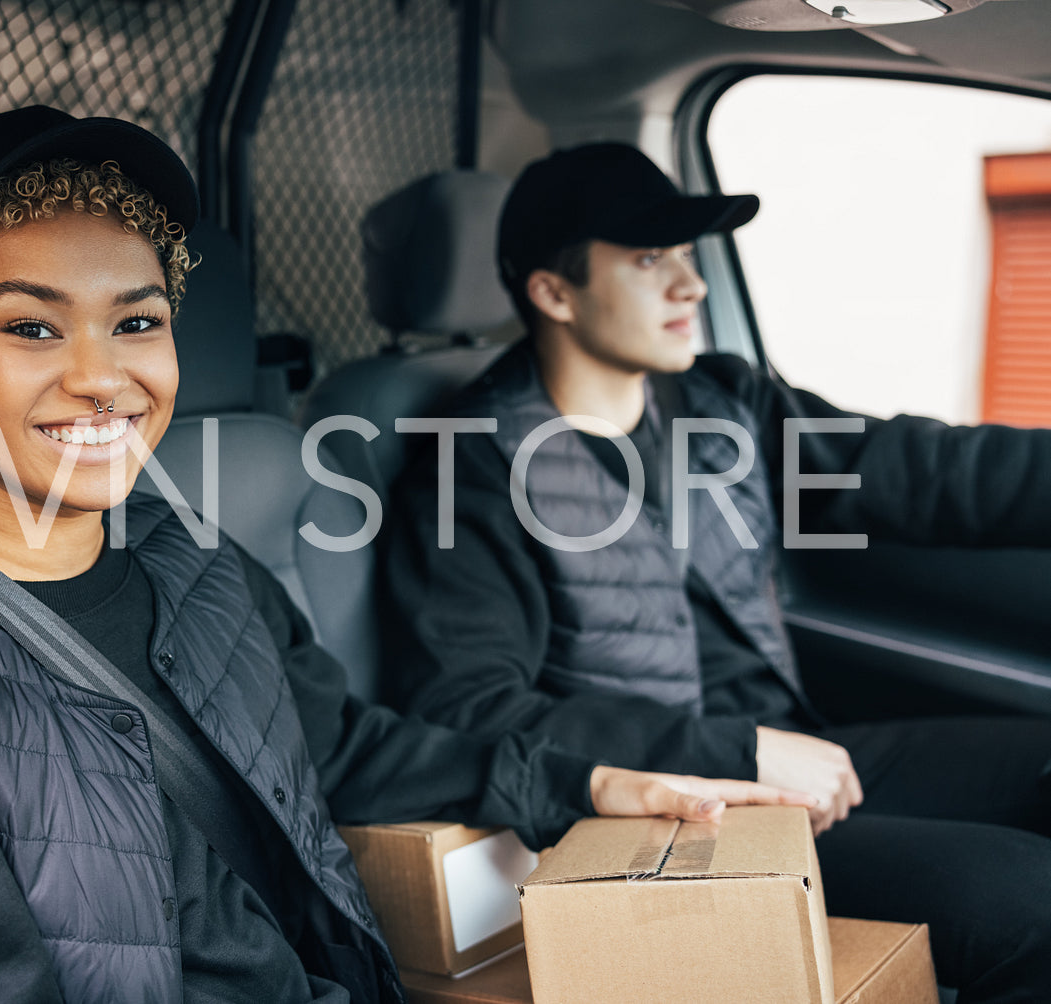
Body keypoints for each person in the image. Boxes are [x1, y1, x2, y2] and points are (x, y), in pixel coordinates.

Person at [0, 110, 805, 1004]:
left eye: (135, 322)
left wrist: (595, 780)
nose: (102, 377)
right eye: (33, 329)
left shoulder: (194, 560)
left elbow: (340, 748)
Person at [378, 141, 1051, 1003]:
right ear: (553, 292)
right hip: (670, 812)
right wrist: (739, 750)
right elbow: (467, 706)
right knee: (1032, 903)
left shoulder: (722, 402)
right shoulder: (471, 464)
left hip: (799, 752)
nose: (690, 287)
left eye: (688, 258)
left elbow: (920, 470)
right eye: (650, 259)